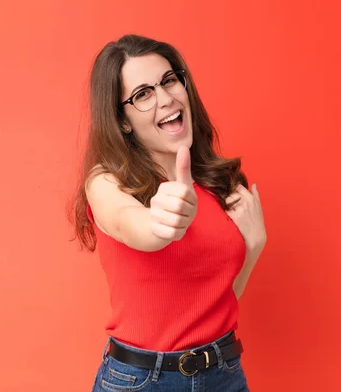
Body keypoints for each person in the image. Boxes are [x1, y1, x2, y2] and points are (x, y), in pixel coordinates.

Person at [71, 34, 267, 391]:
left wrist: (253, 247)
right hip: (144, 381)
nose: (166, 98)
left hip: (223, 372)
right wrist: (160, 222)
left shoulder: (215, 184)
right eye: (143, 94)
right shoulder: (106, 183)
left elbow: (211, 304)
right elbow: (132, 224)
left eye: (169, 80)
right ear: (123, 120)